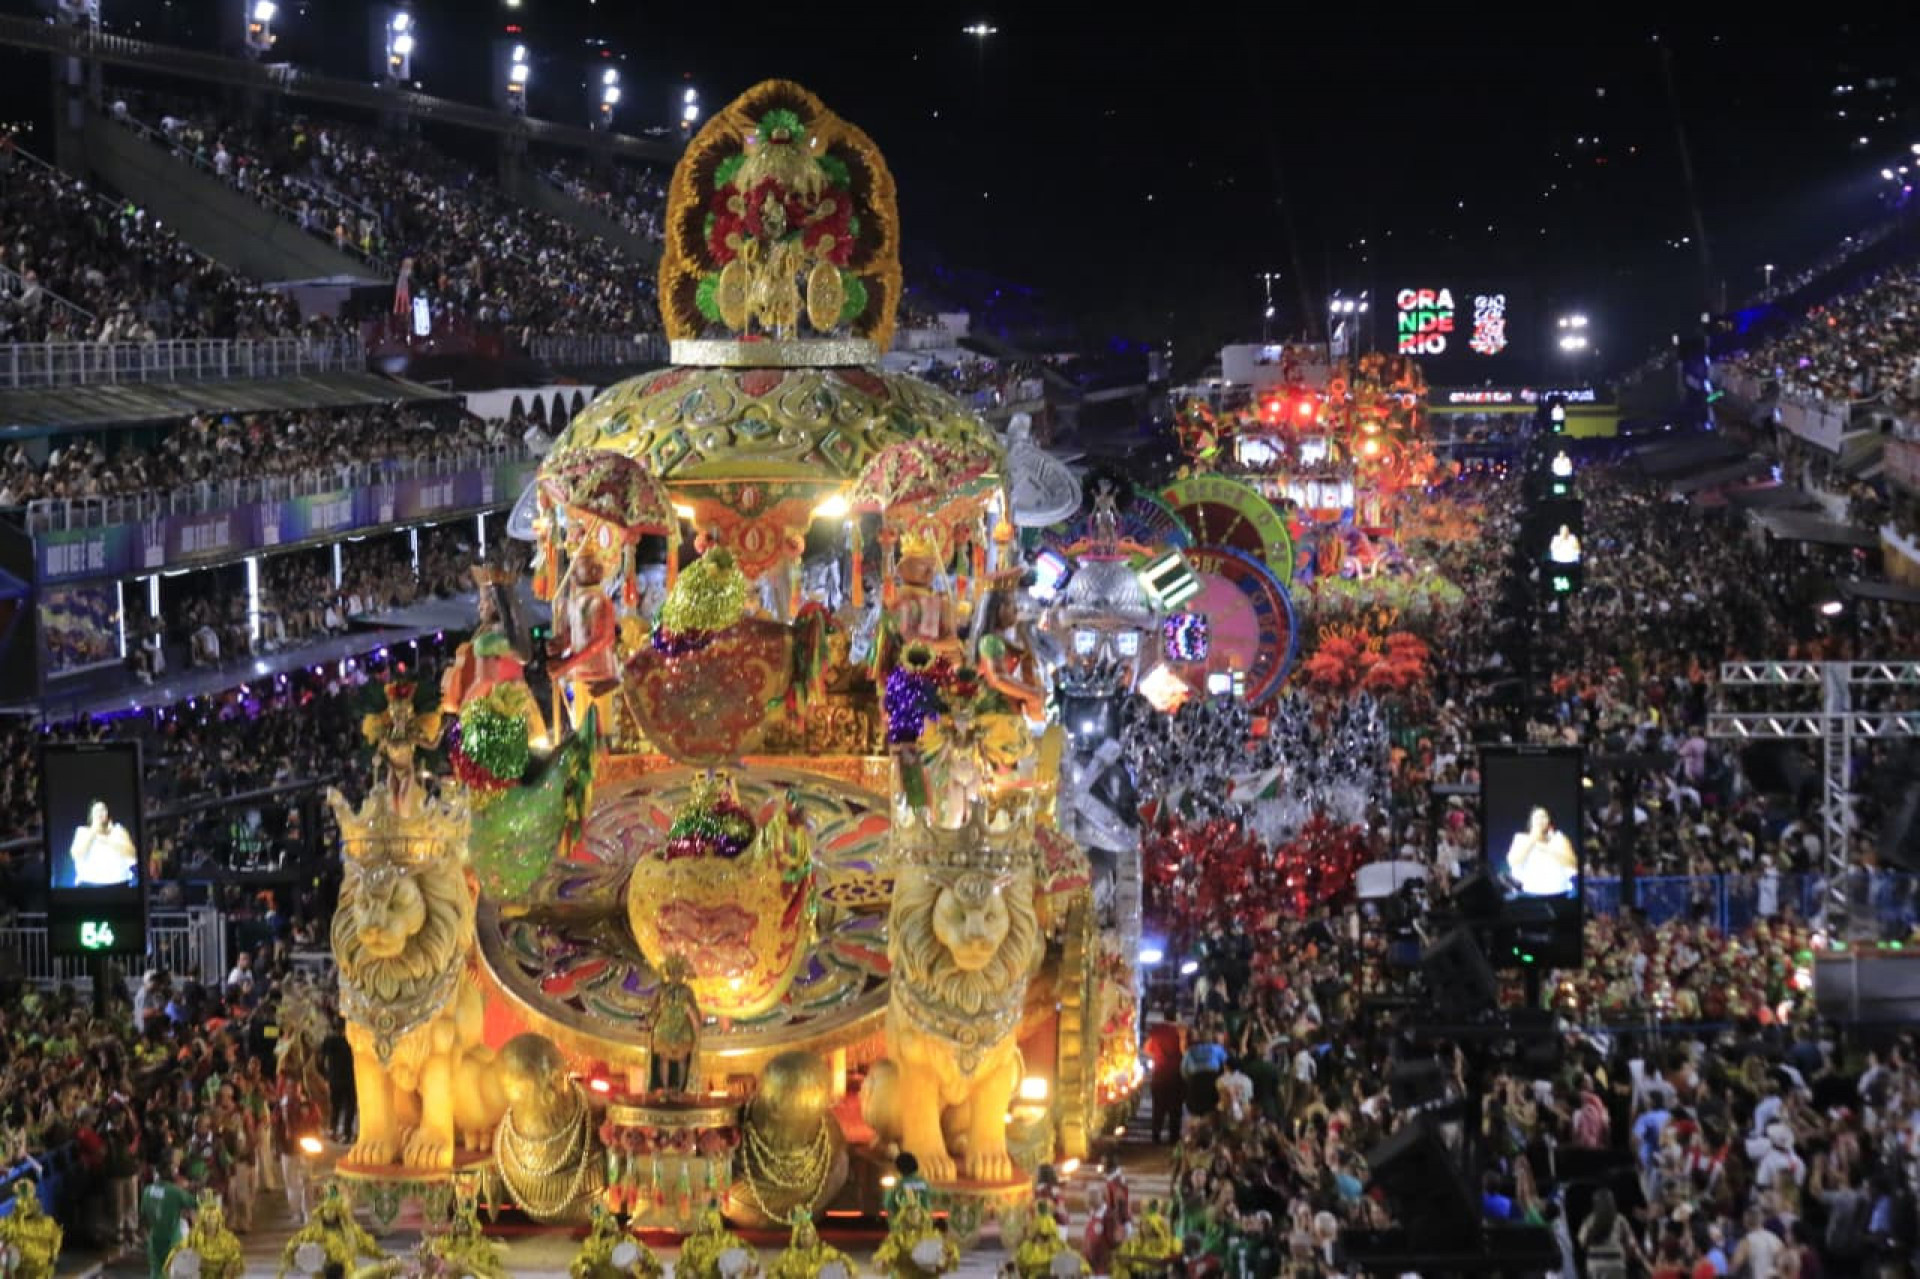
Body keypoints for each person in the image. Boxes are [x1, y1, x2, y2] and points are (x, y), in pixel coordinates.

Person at [1504, 806, 1577, 896]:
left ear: (1549, 820)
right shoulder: (1521, 838)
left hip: (1560, 892)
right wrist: (1533, 839)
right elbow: (1512, 861)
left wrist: (1548, 848)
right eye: (1536, 817)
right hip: (1529, 893)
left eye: (1543, 816)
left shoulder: (1559, 838)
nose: (1540, 820)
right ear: (1531, 822)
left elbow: (1573, 863)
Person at [143, 1155, 196, 1279]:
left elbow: (144, 1216)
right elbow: (194, 1203)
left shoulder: (147, 1191)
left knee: (156, 1273)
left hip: (154, 1240)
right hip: (172, 1240)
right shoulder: (175, 1192)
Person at [69, 799, 138, 886]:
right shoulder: (83, 831)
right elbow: (76, 855)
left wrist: (108, 841)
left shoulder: (118, 830)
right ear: (91, 815)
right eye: (96, 810)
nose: (100, 813)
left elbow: (132, 853)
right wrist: (94, 832)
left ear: (107, 813)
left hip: (120, 884)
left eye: (103, 809)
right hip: (88, 884)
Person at [1578, 1189, 1640, 1279]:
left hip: (1595, 1264)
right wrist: (1627, 1258)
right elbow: (1632, 1244)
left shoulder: (1589, 1220)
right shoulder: (1620, 1219)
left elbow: (1582, 1243)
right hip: (1615, 1262)